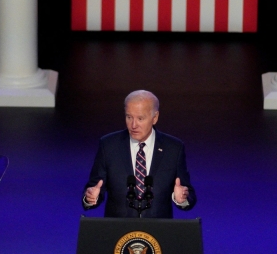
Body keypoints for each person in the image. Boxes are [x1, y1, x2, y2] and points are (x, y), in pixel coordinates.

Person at [82, 90, 196, 218]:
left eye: (140, 118)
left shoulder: (174, 148)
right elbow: (95, 187)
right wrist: (90, 197)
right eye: (129, 117)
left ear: (155, 118)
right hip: (119, 232)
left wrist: (181, 198)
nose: (133, 125)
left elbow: (189, 195)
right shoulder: (108, 145)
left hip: (157, 233)